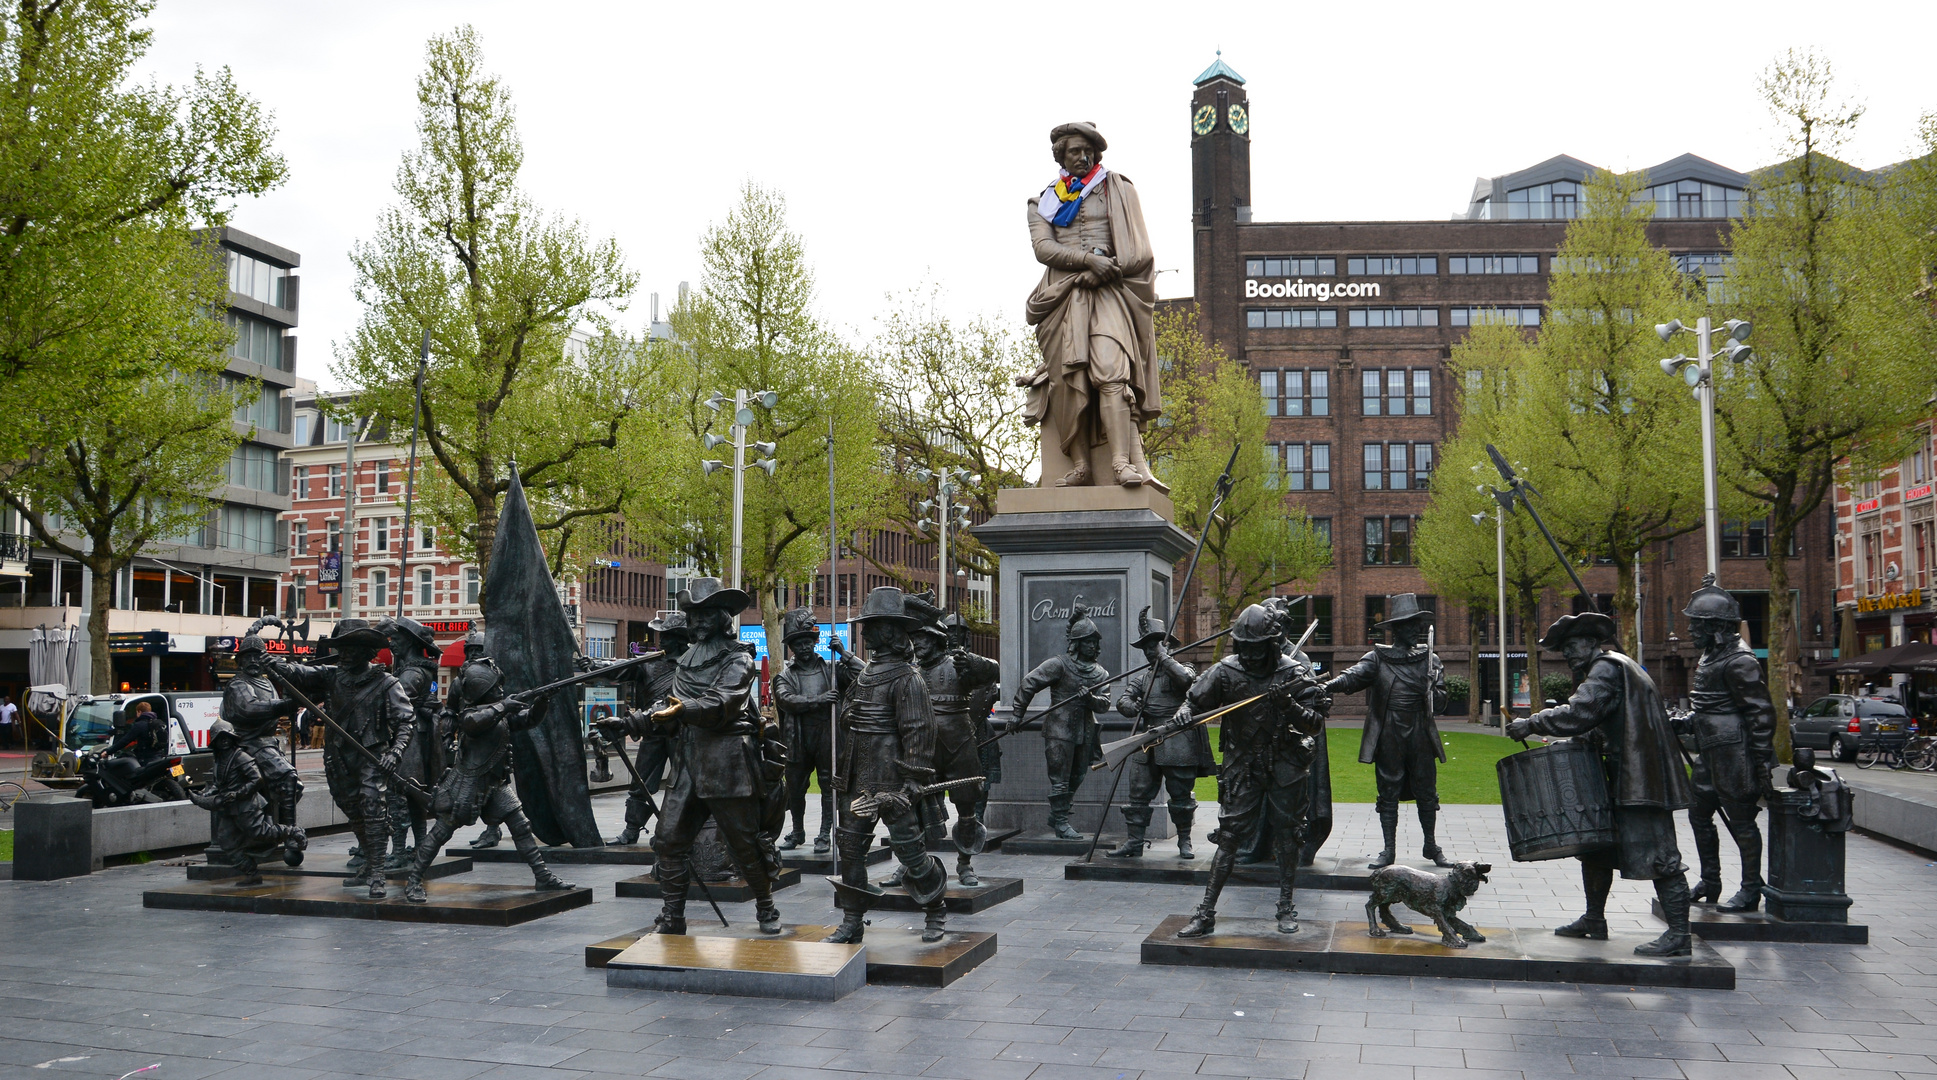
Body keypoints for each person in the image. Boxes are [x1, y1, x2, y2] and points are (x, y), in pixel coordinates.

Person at [599, 578, 784, 936]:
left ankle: (766, 905)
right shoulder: (686, 660)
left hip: (728, 761)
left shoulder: (739, 658)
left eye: (704, 615)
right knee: (669, 841)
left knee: (743, 845)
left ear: (721, 617)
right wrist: (627, 722)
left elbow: (723, 702)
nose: (696, 622)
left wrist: (683, 710)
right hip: (689, 762)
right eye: (692, 615)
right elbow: (666, 707)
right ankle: (673, 916)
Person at [1507, 612, 1694, 957]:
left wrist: (1533, 723)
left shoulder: (1606, 669)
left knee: (1661, 855)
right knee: (1596, 849)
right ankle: (1594, 918)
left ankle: (1680, 934)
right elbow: (1609, 719)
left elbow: (1583, 710)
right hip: (1622, 775)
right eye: (1563, 649)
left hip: (1639, 779)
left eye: (1571, 646)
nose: (1567, 654)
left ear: (1591, 642)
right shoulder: (1617, 666)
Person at [1017, 121, 1167, 491]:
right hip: (1061, 298)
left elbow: (1139, 250)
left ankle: (1120, 463)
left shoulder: (1118, 188)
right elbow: (1043, 249)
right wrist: (1088, 261)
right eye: (1074, 151)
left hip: (1109, 292)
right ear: (1061, 156)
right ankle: (1081, 465)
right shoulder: (1042, 202)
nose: (1082, 157)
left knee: (1110, 370)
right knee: (1068, 382)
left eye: (1088, 151)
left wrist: (1104, 268)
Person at [1176, 603, 1329, 938]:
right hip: (1242, 766)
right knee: (1229, 838)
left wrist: (1289, 706)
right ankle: (1205, 913)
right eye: (1243, 646)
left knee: (1288, 838)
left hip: (1285, 765)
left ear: (1272, 643)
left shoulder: (1292, 673)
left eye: (1256, 647)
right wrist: (1184, 712)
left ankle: (1286, 908)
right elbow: (1194, 700)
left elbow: (1315, 724)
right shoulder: (1225, 671)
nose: (1249, 654)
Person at [825, 586, 951, 944]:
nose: (864, 633)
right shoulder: (866, 674)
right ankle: (852, 920)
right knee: (850, 849)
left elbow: (920, 731)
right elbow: (849, 715)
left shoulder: (908, 678)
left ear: (890, 631)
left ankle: (935, 908)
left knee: (910, 850)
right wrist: (850, 714)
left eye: (871, 626)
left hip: (892, 779)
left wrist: (912, 781)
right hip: (856, 777)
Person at [402, 645, 574, 903]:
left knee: (521, 825)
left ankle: (542, 875)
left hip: (494, 783)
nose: (501, 692)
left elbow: (529, 720)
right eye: (495, 689)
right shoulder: (475, 714)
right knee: (440, 833)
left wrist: (542, 701)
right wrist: (503, 706)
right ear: (483, 692)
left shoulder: (499, 714)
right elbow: (472, 724)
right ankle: (414, 880)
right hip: (467, 784)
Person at [272, 618, 415, 899]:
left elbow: (405, 721)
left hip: (371, 758)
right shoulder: (331, 675)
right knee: (353, 812)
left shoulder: (386, 682)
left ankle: (377, 873)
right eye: (343, 648)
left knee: (373, 810)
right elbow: (299, 673)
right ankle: (369, 862)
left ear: (366, 651)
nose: (346, 654)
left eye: (351, 648)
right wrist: (276, 665)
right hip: (338, 758)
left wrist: (395, 752)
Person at [1324, 594, 1452, 870]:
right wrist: (1327, 686)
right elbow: (1352, 677)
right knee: (1388, 790)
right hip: (1390, 731)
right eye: (1408, 625)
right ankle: (1389, 849)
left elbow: (1441, 704)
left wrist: (1432, 687)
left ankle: (1430, 845)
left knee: (1427, 789)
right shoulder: (1377, 658)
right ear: (1396, 629)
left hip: (1419, 729)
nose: (1415, 630)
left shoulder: (1431, 660)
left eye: (1417, 624)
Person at [1677, 577, 1779, 912]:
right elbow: (1709, 706)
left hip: (1734, 754)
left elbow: (1761, 714)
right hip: (1708, 751)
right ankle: (1711, 880)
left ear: (1716, 626)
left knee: (1742, 822)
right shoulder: (1709, 655)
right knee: (1698, 815)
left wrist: (1761, 762)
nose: (1691, 631)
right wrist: (1684, 721)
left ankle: (1751, 888)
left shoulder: (1740, 660)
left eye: (1697, 625)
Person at [1107, 608, 1214, 860]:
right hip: (1148, 740)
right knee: (1138, 793)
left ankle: (1184, 841)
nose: (1148, 651)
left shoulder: (1183, 667)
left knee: (1180, 794)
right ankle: (1134, 842)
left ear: (1165, 646)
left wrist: (1165, 659)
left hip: (1177, 739)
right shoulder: (1143, 679)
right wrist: (1131, 706)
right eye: (1145, 647)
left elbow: (1187, 682)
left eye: (1153, 645)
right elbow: (1123, 701)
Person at [908, 593, 999, 885]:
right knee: (915, 808)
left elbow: (993, 671)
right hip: (924, 746)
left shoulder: (958, 664)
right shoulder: (911, 671)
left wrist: (971, 662)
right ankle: (912, 862)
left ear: (936, 640)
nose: (917, 646)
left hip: (959, 744)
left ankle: (965, 863)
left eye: (922, 641)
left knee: (967, 807)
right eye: (915, 642)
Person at [1012, 607, 1111, 839]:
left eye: (1096, 643)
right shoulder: (1059, 664)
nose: (1095, 648)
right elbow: (1030, 683)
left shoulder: (1101, 673)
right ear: (1077, 644)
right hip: (1060, 729)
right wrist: (1017, 714)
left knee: (1078, 776)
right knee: (1060, 778)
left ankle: (1058, 815)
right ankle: (1062, 823)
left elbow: (1105, 704)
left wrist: (1091, 699)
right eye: (1089, 643)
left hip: (1086, 731)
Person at [771, 607, 859, 854]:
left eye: (808, 642)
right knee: (795, 789)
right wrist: (820, 700)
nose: (804, 647)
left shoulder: (832, 670)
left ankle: (824, 833)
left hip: (827, 736)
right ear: (792, 648)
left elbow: (863, 675)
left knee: (828, 785)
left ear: (815, 643)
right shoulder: (785, 676)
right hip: (798, 739)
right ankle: (798, 831)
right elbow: (787, 700)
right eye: (798, 644)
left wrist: (844, 653)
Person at [188, 719, 306, 885]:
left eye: (226, 737)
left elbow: (256, 779)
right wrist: (204, 793)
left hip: (247, 805)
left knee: (261, 833)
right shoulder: (219, 759)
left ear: (232, 738)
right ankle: (250, 872)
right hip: (229, 808)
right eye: (219, 738)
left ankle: (293, 832)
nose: (223, 741)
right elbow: (218, 784)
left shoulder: (240, 756)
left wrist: (238, 794)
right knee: (226, 841)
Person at [221, 620, 306, 841]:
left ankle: (273, 825)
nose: (253, 661)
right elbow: (249, 709)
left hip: (268, 744)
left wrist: (291, 700)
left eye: (257, 656)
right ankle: (289, 835)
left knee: (295, 786)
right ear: (240, 661)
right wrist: (285, 705)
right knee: (288, 779)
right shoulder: (237, 684)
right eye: (247, 657)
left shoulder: (268, 684)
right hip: (248, 744)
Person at [381, 616, 445, 871]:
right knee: (415, 799)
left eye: (396, 640)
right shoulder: (416, 670)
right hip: (416, 738)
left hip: (409, 741)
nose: (392, 644)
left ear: (408, 642)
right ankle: (420, 847)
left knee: (400, 796)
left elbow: (394, 704)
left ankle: (398, 852)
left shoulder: (411, 674)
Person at [944, 613, 1004, 827]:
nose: (952, 636)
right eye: (949, 631)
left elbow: (992, 673)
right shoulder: (936, 665)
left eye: (957, 632)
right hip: (945, 730)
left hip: (978, 729)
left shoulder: (979, 664)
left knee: (981, 777)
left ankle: (976, 820)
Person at [107, 700, 168, 765]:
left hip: (145, 759)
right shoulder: (157, 723)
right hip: (158, 756)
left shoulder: (139, 725)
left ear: (139, 712)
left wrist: (109, 752)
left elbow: (125, 740)